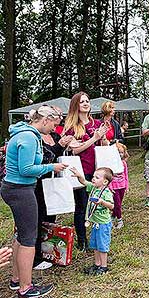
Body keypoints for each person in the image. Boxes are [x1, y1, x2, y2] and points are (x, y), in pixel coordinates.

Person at [1, 105, 67, 297]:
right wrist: (51, 166)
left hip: (16, 188)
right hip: (21, 190)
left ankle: (16, 280)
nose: (54, 129)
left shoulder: (24, 133)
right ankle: (25, 288)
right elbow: (26, 169)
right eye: (53, 124)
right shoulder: (29, 137)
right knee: (29, 239)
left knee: (21, 236)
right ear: (44, 120)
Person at [64, 92, 108, 251]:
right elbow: (75, 150)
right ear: (76, 105)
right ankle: (82, 240)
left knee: (96, 202)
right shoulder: (71, 127)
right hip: (80, 171)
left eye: (87, 101)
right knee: (81, 205)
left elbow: (103, 144)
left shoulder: (96, 123)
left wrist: (103, 138)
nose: (85, 103)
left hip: (98, 170)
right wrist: (94, 138)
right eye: (81, 101)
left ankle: (97, 236)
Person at [33, 107, 74, 270]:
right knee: (38, 218)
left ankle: (48, 251)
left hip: (53, 182)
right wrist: (59, 146)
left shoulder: (55, 135)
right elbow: (44, 158)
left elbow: (57, 155)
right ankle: (35, 256)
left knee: (51, 216)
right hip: (38, 183)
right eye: (56, 116)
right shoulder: (35, 137)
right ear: (46, 118)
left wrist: (64, 145)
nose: (60, 118)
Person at [70, 167, 114, 275]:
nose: (93, 179)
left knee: (102, 245)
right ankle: (97, 264)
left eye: (97, 177)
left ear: (105, 181)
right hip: (95, 223)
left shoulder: (106, 192)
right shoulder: (93, 188)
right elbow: (84, 182)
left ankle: (104, 267)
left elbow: (112, 206)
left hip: (103, 224)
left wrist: (102, 202)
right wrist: (79, 175)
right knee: (95, 245)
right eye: (93, 176)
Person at [109, 142, 129, 229]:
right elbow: (108, 176)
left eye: (121, 152)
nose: (120, 154)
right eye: (118, 152)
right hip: (114, 187)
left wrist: (127, 186)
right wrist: (110, 187)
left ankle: (113, 217)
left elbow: (126, 175)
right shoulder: (110, 164)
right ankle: (120, 220)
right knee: (117, 204)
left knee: (119, 203)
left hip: (122, 186)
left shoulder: (123, 163)